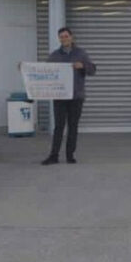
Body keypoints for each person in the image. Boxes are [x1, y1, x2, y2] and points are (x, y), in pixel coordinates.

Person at [38, 27, 97, 165]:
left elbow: (92, 69)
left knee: (73, 126)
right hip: (59, 96)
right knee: (59, 126)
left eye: (66, 36)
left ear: (71, 37)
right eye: (61, 37)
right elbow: (42, 72)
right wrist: (25, 68)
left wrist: (82, 66)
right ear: (59, 39)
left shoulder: (81, 53)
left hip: (76, 96)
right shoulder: (54, 55)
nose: (64, 39)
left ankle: (70, 155)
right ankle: (54, 155)